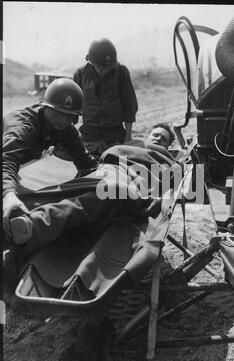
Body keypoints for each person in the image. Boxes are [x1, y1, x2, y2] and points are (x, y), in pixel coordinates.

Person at [4, 124, 178, 281]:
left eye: (163, 139)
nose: (158, 138)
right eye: (155, 134)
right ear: (148, 135)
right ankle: (24, 223)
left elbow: (177, 188)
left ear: (168, 146)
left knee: (88, 202)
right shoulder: (129, 146)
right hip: (107, 174)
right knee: (61, 194)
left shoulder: (168, 160)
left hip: (131, 186)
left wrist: (161, 195)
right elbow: (104, 160)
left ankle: (30, 228)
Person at [3, 78, 98, 241]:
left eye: (71, 116)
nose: (65, 120)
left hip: (11, 162)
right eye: (61, 113)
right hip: (6, 159)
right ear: (46, 106)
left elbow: (85, 161)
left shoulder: (63, 127)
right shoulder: (23, 126)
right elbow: (6, 161)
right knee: (11, 205)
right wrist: (8, 194)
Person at [73, 38, 138, 160]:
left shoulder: (121, 72)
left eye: (108, 68)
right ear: (91, 62)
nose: (105, 70)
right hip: (88, 133)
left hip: (114, 134)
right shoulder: (81, 74)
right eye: (101, 67)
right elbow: (72, 106)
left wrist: (128, 137)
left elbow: (129, 105)